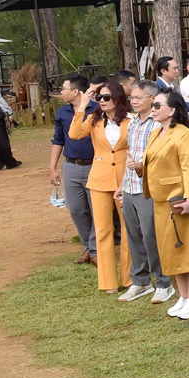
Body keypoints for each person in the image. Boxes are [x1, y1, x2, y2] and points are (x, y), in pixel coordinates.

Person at [140, 90, 189, 319]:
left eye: (158, 105)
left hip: (180, 198)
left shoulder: (184, 134)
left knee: (187, 247)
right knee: (171, 249)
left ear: (173, 109)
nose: (154, 109)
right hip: (161, 200)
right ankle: (185, 295)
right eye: (153, 105)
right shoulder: (156, 132)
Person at [68, 80, 134, 293]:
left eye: (106, 97)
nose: (102, 101)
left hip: (125, 180)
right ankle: (107, 282)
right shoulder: (93, 120)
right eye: (99, 97)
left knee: (128, 229)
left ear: (118, 98)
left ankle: (129, 278)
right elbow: (74, 134)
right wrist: (82, 105)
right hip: (99, 179)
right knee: (103, 230)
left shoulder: (131, 121)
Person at [115, 81, 174, 304]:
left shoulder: (158, 124)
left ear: (152, 98)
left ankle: (163, 282)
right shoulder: (132, 123)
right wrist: (122, 184)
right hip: (130, 186)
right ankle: (140, 282)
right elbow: (129, 155)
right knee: (134, 236)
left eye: (138, 98)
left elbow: (163, 159)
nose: (134, 101)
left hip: (149, 188)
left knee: (152, 236)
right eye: (132, 98)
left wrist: (141, 168)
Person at [50, 74, 98, 264]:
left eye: (63, 88)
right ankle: (88, 246)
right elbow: (58, 140)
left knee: (98, 210)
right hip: (71, 166)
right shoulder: (62, 112)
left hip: (96, 165)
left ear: (76, 91)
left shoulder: (98, 110)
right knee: (76, 209)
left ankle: (94, 250)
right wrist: (52, 168)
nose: (61, 92)